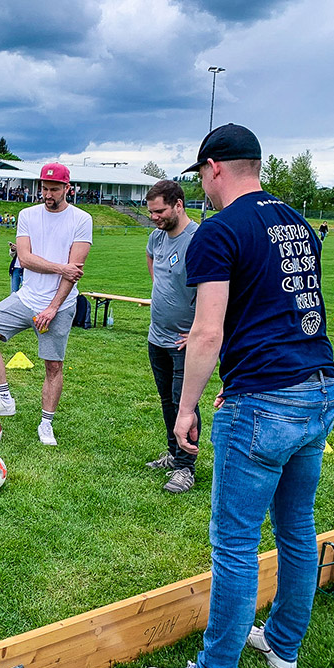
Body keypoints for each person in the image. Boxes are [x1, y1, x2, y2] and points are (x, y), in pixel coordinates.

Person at [144, 124, 334, 668]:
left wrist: (185, 409)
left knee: (233, 547)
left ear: (213, 169)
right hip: (320, 389)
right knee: (297, 530)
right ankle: (282, 648)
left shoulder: (219, 231)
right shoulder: (298, 223)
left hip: (263, 403)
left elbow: (206, 332)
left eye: (199, 176)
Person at [0, 163, 91, 446]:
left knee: (53, 366)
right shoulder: (27, 215)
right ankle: (3, 398)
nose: (48, 194)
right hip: (26, 298)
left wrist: (52, 308)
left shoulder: (82, 219)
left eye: (54, 189)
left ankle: (46, 424)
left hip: (59, 306)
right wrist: (62, 267)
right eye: (45, 189)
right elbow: (24, 259)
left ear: (67, 189)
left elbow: (75, 273)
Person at [144, 179, 200, 494]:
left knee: (184, 404)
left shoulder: (199, 240)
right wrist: (160, 291)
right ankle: (173, 454)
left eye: (160, 211)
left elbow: (219, 288)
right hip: (157, 336)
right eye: (151, 211)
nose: (155, 217)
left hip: (185, 340)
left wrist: (198, 329)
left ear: (179, 205)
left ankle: (186, 468)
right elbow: (152, 260)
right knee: (168, 401)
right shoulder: (157, 238)